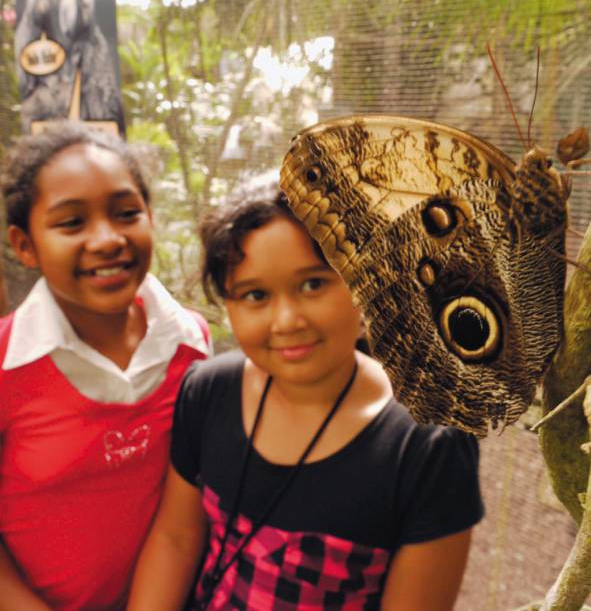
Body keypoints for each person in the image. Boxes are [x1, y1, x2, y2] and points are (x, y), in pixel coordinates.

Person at [128, 192, 483, 610]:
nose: (287, 321)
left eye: (313, 284)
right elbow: (176, 538)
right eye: (255, 295)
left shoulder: (426, 444)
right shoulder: (207, 390)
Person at [0, 122, 211, 610]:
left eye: (126, 213)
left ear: (151, 218)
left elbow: (189, 511)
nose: (107, 239)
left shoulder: (191, 344)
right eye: (71, 223)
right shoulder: (7, 362)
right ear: (25, 244)